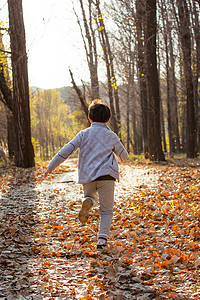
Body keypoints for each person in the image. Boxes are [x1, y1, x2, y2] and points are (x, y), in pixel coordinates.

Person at [44, 99, 128, 250]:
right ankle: (102, 241)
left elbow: (66, 151)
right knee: (106, 211)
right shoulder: (112, 136)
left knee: (90, 197)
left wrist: (51, 166)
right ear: (108, 119)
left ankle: (88, 201)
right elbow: (124, 156)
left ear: (90, 118)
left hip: (88, 176)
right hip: (107, 176)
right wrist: (119, 156)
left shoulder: (83, 134)